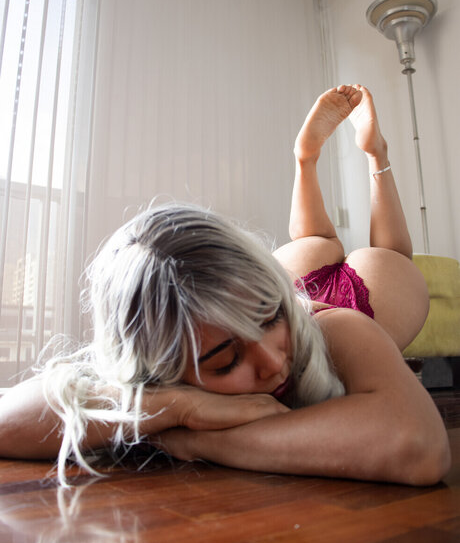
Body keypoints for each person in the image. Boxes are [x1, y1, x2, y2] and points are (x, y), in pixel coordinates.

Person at [0, 85, 451, 486]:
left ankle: (368, 155)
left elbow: (418, 445)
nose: (273, 361)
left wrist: (199, 441)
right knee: (315, 241)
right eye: (225, 359)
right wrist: (180, 407)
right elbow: (8, 417)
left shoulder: (343, 327)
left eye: (268, 317)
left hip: (355, 301)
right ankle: (308, 160)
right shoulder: (168, 347)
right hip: (270, 294)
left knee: (387, 254)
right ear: (159, 368)